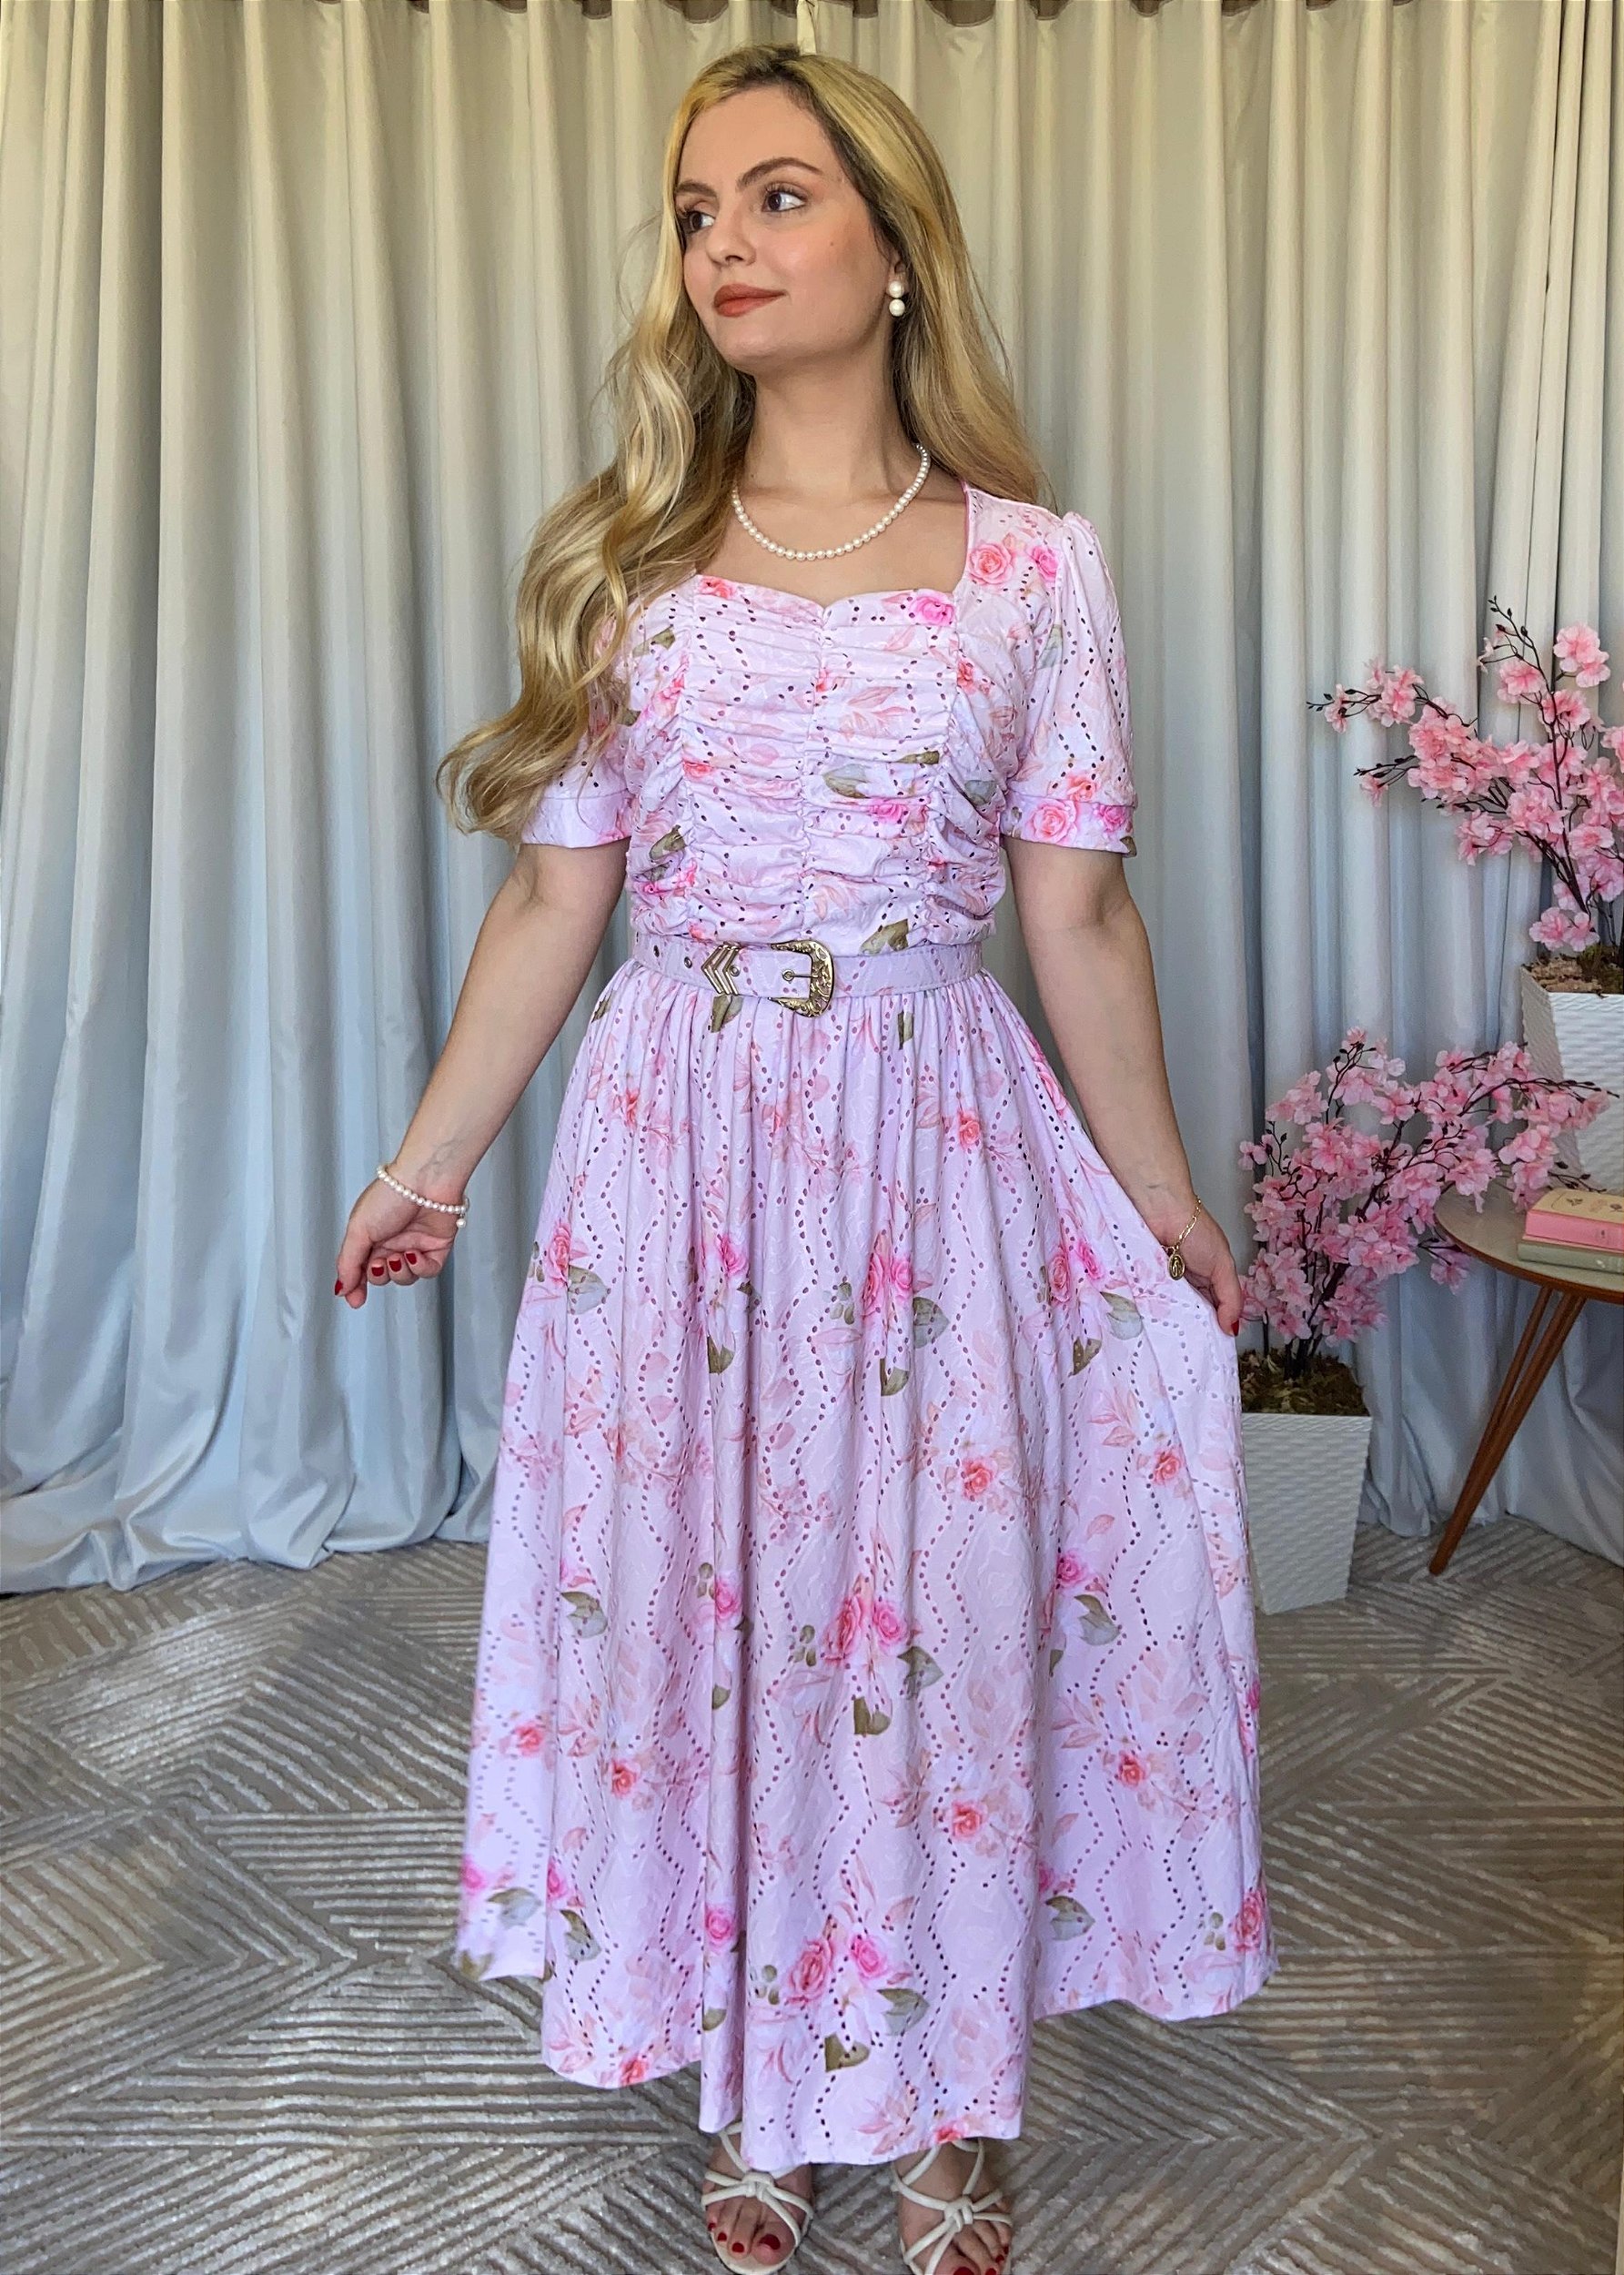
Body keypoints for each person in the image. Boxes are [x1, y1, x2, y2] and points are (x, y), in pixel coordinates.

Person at [335, 40, 1275, 2275]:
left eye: (773, 196)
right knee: (703, 1609)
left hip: (933, 1151)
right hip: (674, 1161)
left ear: (892, 244)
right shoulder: (629, 560)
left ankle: (941, 2098)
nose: (721, 247)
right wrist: (427, 1164)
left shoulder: (1033, 568)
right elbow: (553, 898)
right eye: (693, 211)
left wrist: (1161, 1203)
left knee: (930, 1621)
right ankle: (753, 2082)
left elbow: (1076, 916)